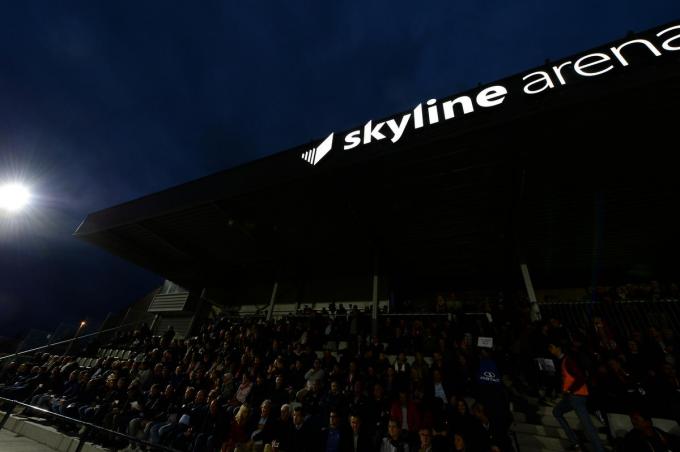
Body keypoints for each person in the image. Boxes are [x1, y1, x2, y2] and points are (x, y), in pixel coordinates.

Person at [548, 342, 604, 452]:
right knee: (557, 412)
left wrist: (570, 390)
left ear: (558, 348)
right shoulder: (561, 360)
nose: (549, 350)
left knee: (588, 427)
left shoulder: (568, 360)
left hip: (576, 396)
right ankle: (576, 443)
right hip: (572, 396)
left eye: (551, 347)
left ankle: (595, 448)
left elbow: (580, 377)